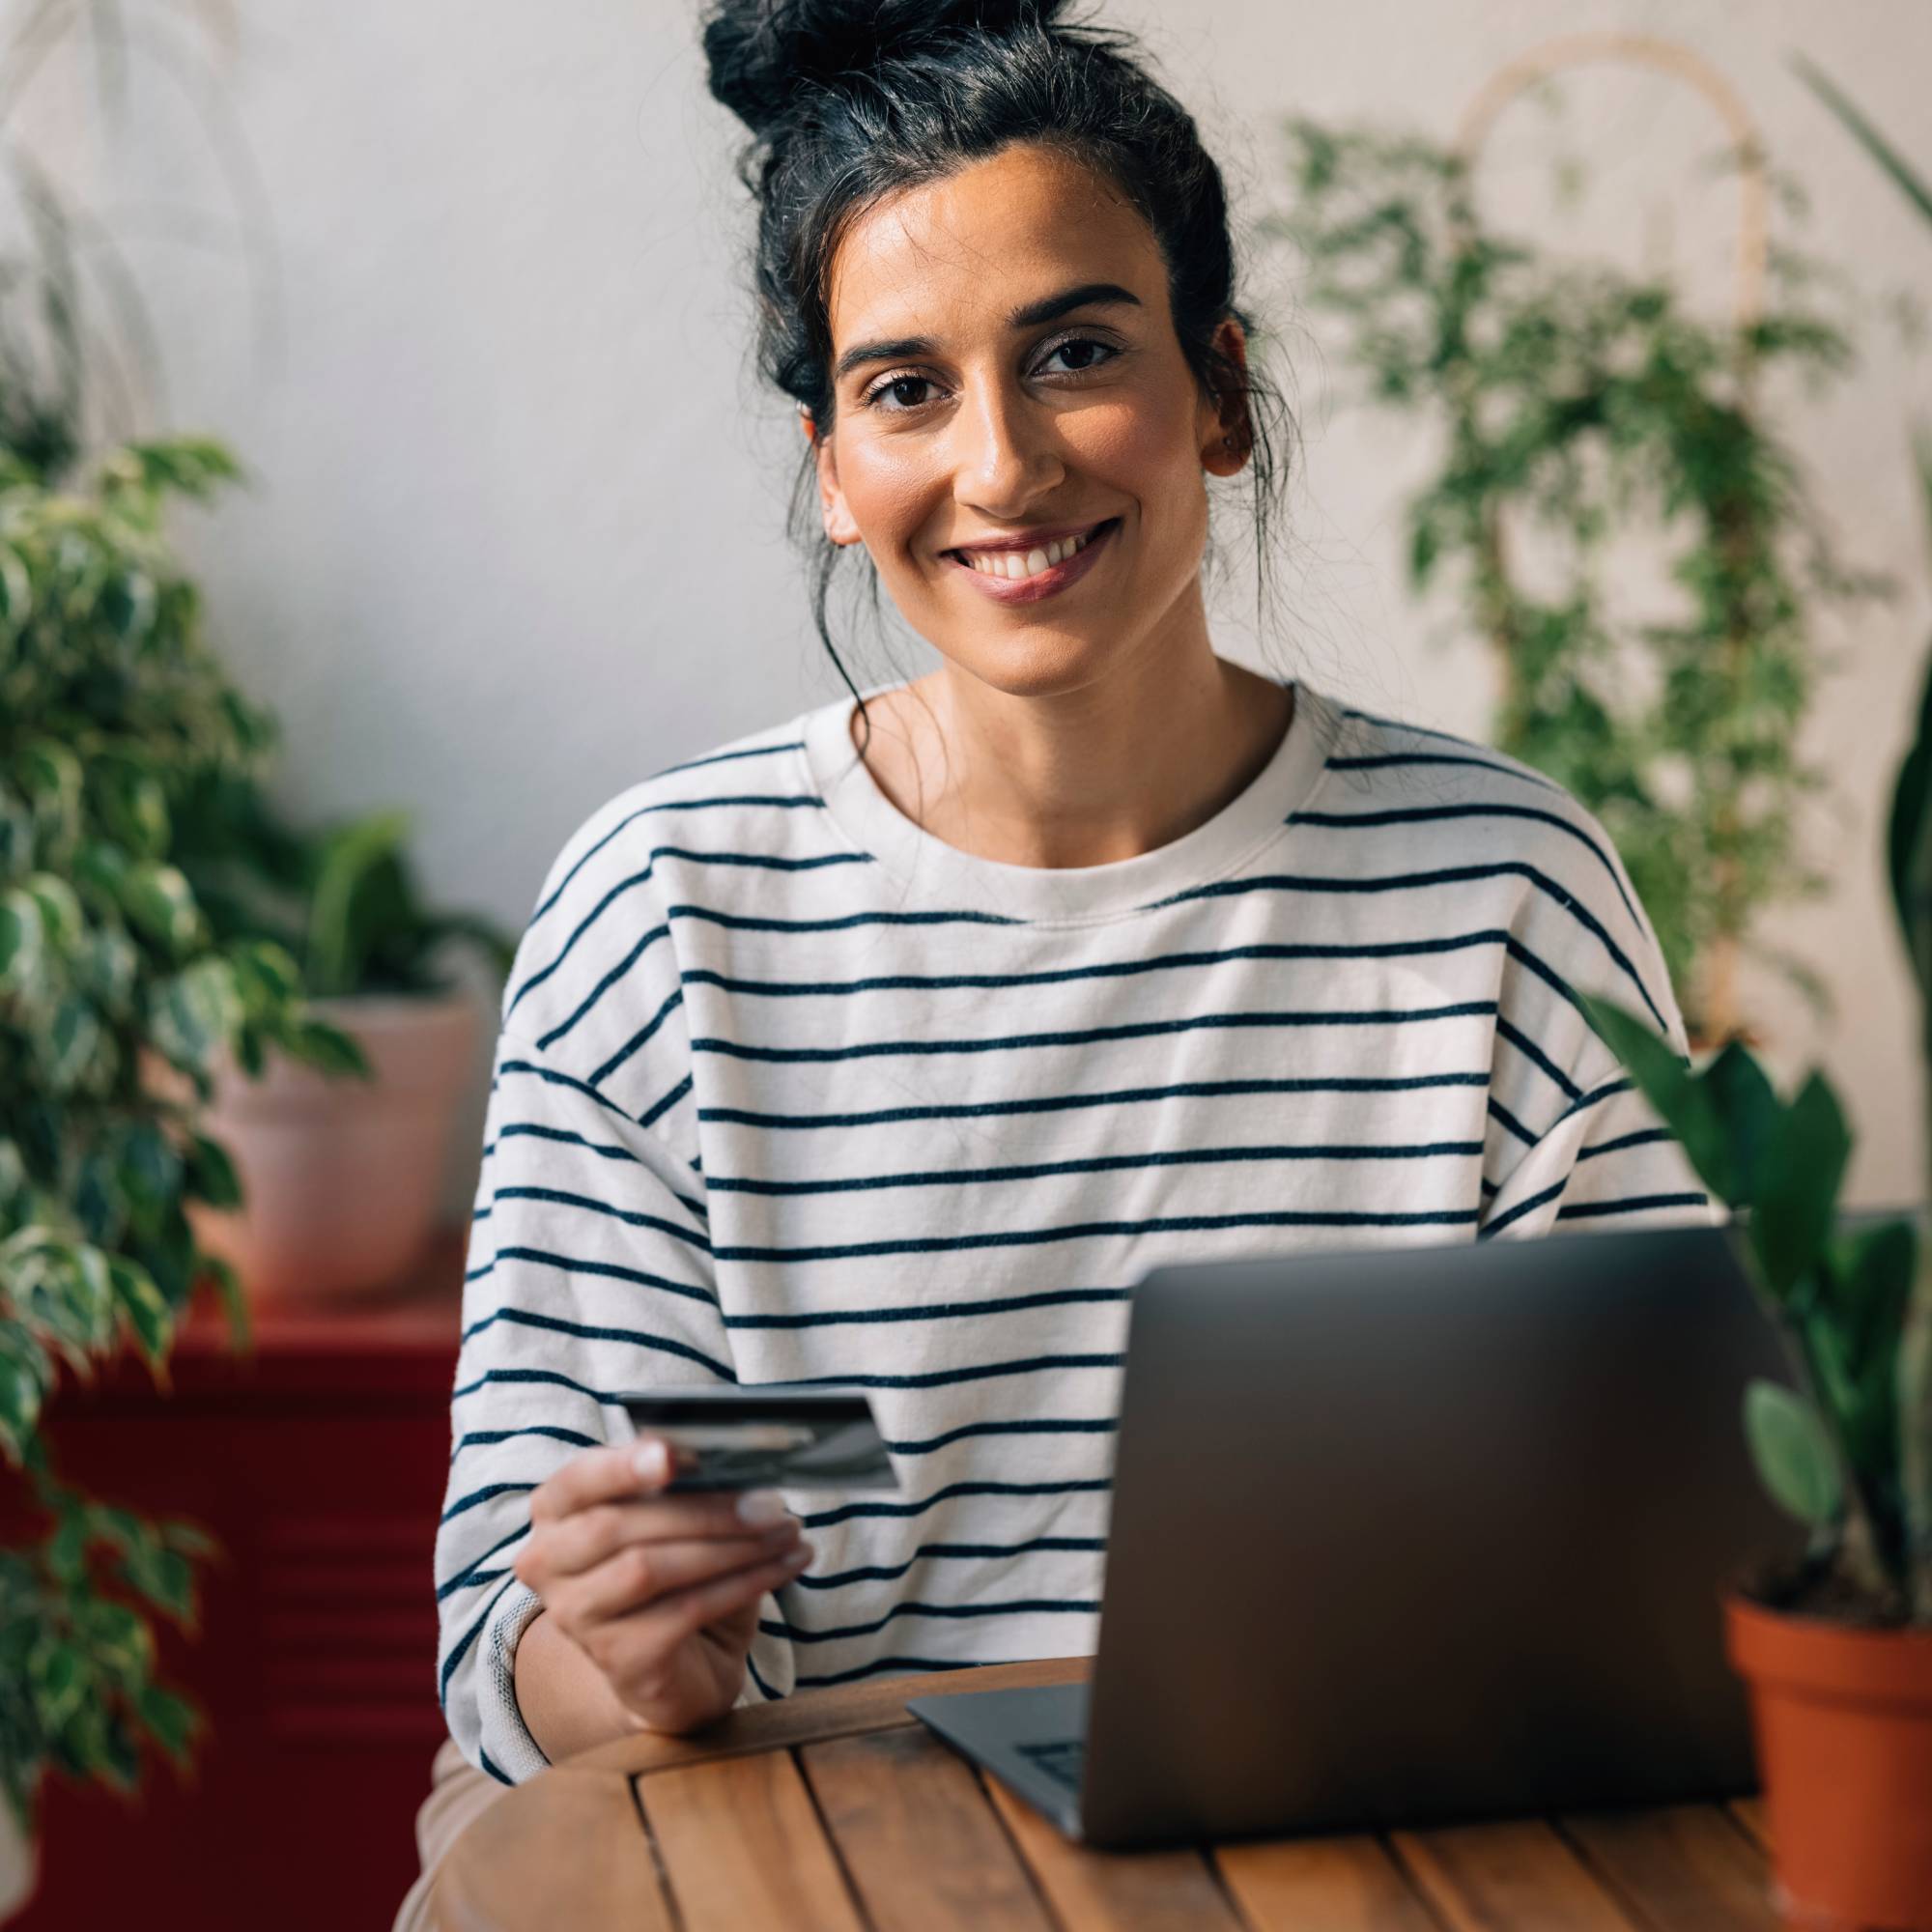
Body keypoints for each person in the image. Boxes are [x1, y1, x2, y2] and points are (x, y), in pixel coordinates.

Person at [400, 0, 1710, 1918]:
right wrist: (630, 1654)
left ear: (1222, 392)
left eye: (1075, 352)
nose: (1001, 465)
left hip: (1363, 1842)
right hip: (800, 1841)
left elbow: (1672, 1544)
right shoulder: (661, 909)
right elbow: (508, 1668)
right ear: (833, 466)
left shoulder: (1501, 885)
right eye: (905, 388)